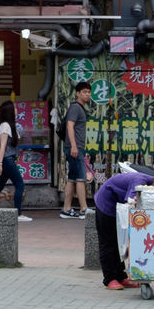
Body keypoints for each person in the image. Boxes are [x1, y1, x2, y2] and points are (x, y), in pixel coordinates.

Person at [94, 168, 154, 290]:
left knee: (120, 243)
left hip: (118, 208)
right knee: (108, 242)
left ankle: (121, 276)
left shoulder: (147, 184)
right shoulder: (140, 179)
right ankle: (110, 278)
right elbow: (131, 200)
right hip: (106, 206)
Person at [60, 81, 92, 219]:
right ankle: (84, 208)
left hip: (74, 147)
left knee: (72, 179)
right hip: (75, 147)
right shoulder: (75, 108)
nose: (87, 94)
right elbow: (70, 126)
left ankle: (66, 209)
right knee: (80, 178)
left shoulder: (79, 108)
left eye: (89, 92)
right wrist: (73, 145)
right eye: (84, 92)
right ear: (78, 93)